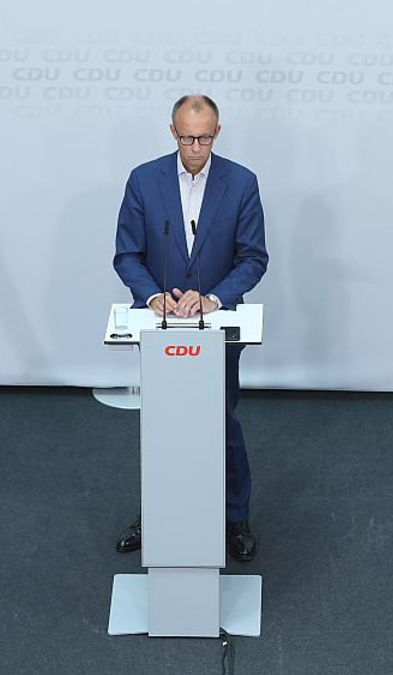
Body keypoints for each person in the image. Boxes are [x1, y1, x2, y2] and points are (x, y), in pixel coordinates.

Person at [112, 95, 269, 561]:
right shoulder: (144, 180)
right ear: (172, 132)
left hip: (216, 325)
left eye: (203, 138)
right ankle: (158, 513)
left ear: (217, 132)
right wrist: (153, 295)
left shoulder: (241, 183)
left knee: (220, 420)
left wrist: (213, 297)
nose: (195, 147)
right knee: (163, 423)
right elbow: (127, 255)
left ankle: (234, 517)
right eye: (186, 137)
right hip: (159, 326)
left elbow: (252, 258)